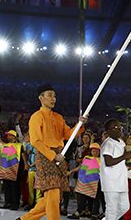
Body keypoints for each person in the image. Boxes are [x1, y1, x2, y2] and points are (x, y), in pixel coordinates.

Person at [19, 84, 86, 220]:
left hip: (59, 155)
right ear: (41, 98)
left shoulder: (58, 117)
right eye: (49, 95)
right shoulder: (36, 117)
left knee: (53, 197)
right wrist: (52, 155)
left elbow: (68, 135)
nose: (53, 99)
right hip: (46, 156)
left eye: (54, 96)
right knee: (53, 194)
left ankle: (25, 219)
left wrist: (80, 124)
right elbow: (36, 141)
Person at [100, 119, 131, 220]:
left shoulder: (121, 142)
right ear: (108, 131)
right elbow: (108, 162)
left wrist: (128, 164)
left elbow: (121, 160)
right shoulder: (108, 144)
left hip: (121, 181)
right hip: (110, 182)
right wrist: (125, 156)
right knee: (112, 209)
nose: (119, 129)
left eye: (120, 127)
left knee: (125, 207)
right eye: (115, 127)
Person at [69, 143, 102, 220]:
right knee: (81, 197)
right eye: (93, 151)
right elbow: (80, 167)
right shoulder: (86, 158)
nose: (95, 153)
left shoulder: (101, 160)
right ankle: (78, 212)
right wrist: (71, 171)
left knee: (95, 198)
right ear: (91, 151)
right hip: (83, 182)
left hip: (95, 182)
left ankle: (93, 213)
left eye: (97, 151)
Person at [0, 129, 25, 210]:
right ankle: (7, 203)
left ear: (14, 137)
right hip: (6, 168)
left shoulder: (19, 146)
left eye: (10, 135)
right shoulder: (6, 145)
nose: (8, 136)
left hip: (16, 169)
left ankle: (15, 204)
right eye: (8, 135)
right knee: (7, 186)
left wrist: (24, 167)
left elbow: (23, 156)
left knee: (15, 187)